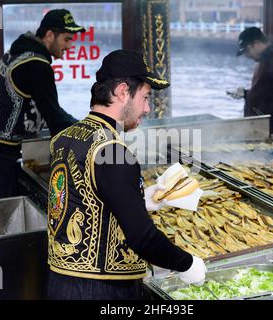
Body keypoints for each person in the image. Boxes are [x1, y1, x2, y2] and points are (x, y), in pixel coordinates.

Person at [46, 49, 206, 300]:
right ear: (122, 92)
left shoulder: (63, 138)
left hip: (59, 283)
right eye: (145, 97)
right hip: (102, 290)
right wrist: (187, 264)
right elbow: (143, 238)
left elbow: (84, 199)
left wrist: (139, 200)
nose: (147, 108)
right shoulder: (112, 151)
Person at [0, 9, 85, 201]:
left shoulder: (19, 50)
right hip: (1, 154)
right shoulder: (37, 65)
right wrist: (89, 130)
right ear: (50, 35)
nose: (69, 46)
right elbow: (54, 116)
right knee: (0, 213)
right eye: (66, 39)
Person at [228, 27, 273, 135]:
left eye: (247, 50)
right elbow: (266, 93)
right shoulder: (263, 61)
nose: (247, 55)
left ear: (256, 43)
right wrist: (246, 93)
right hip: (258, 129)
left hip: (271, 131)